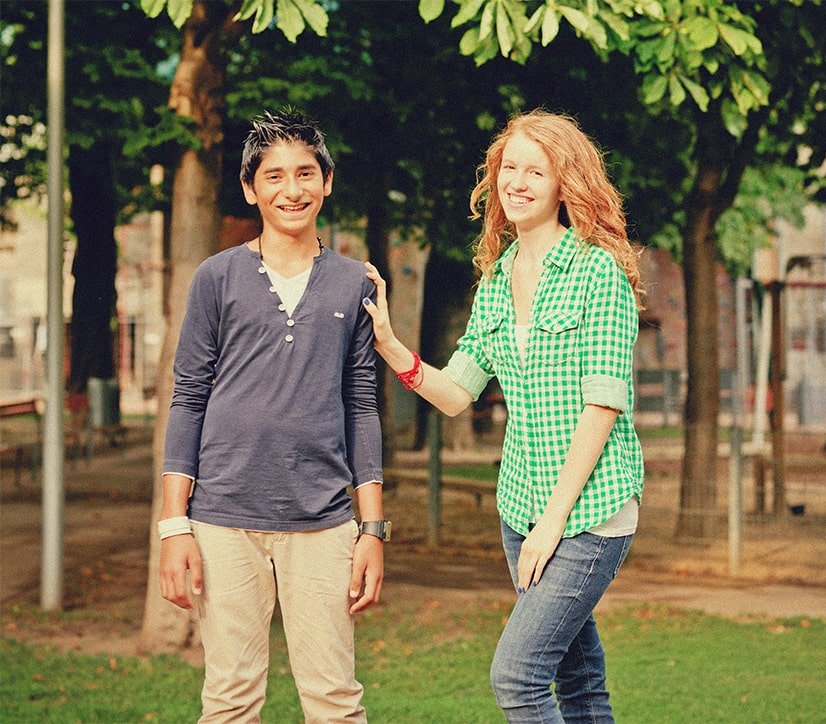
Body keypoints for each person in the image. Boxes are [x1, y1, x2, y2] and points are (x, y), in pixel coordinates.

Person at [362, 109, 644, 723]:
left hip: (588, 514)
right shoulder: (494, 282)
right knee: (579, 682)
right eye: (507, 168)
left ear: (564, 184)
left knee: (516, 678)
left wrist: (553, 523)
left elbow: (602, 406)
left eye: (534, 171)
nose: (516, 182)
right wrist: (388, 343)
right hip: (521, 507)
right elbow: (457, 391)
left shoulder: (599, 273)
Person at [157, 108, 388, 723]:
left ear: (328, 181)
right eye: (275, 176)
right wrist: (172, 526)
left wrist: (373, 530)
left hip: (324, 521)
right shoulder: (216, 278)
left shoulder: (354, 284)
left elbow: (361, 406)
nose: (292, 190)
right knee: (231, 699)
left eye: (306, 173)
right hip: (223, 520)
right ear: (250, 189)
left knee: (335, 700)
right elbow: (189, 398)